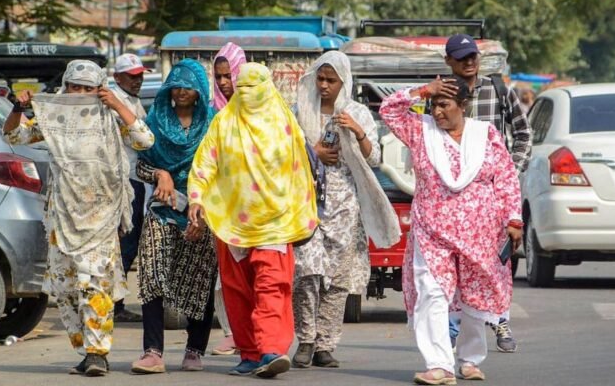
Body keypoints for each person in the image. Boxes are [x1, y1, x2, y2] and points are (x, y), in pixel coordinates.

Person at [3, 59, 154, 376]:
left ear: (99, 89)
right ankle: (85, 351)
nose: (80, 93)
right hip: (62, 218)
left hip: (100, 216)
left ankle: (99, 353)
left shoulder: (110, 117)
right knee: (68, 289)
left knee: (94, 284)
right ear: (65, 87)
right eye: (74, 86)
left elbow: (143, 140)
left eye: (88, 88)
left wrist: (116, 104)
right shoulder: (54, 120)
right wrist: (19, 108)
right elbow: (15, 137)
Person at [380, 76, 523, 385]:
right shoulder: (420, 131)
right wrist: (422, 91)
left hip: (481, 234)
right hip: (432, 231)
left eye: (444, 105)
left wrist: (513, 219)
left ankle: (470, 360)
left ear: (464, 105)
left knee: (475, 297)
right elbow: (389, 110)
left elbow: (506, 177)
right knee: (432, 293)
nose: (438, 112)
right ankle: (439, 365)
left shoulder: (486, 135)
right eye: (434, 105)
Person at [188, 62, 318, 378]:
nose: (246, 94)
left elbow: (301, 171)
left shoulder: (285, 122)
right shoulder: (223, 122)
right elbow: (205, 162)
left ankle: (271, 349)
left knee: (272, 285)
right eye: (240, 88)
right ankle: (249, 353)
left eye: (252, 88)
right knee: (237, 290)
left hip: (275, 222)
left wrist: (302, 212)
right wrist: (195, 198)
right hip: (232, 222)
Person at [292, 51, 400, 368]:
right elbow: (287, 153)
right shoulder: (301, 112)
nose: (324, 85)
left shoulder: (358, 113)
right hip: (307, 203)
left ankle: (326, 345)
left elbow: (374, 158)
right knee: (306, 272)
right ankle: (306, 339)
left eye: (331, 80)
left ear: (344, 82)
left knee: (337, 279)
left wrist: (358, 131)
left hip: (343, 205)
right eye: (321, 79)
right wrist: (314, 154)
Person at [443, 33, 532, 353]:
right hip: (453, 196)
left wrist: (510, 171)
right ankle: (453, 329)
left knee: (496, 262)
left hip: (491, 196)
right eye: (462, 57)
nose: (469, 62)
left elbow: (523, 134)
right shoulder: (441, 93)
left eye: (473, 57)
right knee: (454, 264)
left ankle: (500, 320)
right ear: (448, 62)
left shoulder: (498, 90)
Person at [130, 58, 217, 374]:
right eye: (176, 85)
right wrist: (160, 173)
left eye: (189, 87)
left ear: (200, 91)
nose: (182, 92)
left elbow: (221, 172)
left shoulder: (213, 124)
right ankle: (152, 351)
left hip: (201, 211)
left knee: (199, 279)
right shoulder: (155, 120)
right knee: (151, 274)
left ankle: (195, 350)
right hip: (162, 210)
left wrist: (203, 213)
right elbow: (139, 165)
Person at [111, 53, 156, 323]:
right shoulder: (115, 103)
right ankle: (113, 304)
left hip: (135, 180)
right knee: (124, 242)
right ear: (118, 78)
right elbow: (140, 141)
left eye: (140, 75)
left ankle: (116, 303)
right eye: (132, 76)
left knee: (129, 241)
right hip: (122, 180)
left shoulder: (131, 101)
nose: (138, 80)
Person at [208, 42, 247, 356]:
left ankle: (256, 331)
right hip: (221, 206)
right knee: (227, 274)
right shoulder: (212, 112)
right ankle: (232, 330)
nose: (223, 82)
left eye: (228, 75)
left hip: (254, 205)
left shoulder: (256, 108)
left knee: (255, 271)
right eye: (218, 76)